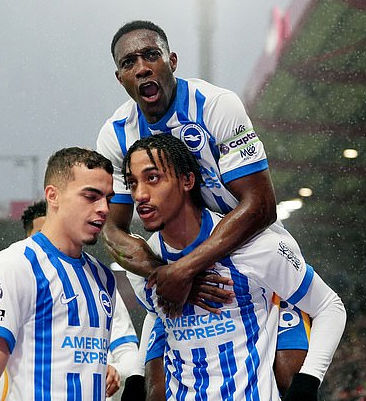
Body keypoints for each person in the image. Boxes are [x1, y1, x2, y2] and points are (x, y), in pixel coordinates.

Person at [96, 19, 310, 392]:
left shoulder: (216, 106)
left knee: (292, 385)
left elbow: (261, 205)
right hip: (175, 262)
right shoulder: (114, 135)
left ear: (172, 61)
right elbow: (112, 231)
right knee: (155, 388)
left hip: (251, 252)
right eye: (129, 62)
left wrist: (186, 270)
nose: (142, 66)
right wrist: (165, 274)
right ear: (120, 78)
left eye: (151, 55)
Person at [123, 134, 346, 399]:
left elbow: (329, 307)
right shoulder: (143, 262)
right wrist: (136, 377)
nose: (140, 195)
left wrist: (307, 382)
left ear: (187, 181)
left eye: (152, 178)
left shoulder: (257, 246)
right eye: (132, 183)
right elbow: (154, 313)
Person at [0, 147, 117, 400]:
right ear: (53, 196)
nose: (104, 208)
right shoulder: (15, 265)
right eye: (91, 196)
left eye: (107, 199)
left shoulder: (104, 278)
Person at [20, 200, 139, 400]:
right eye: (40, 234)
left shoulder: (100, 282)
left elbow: (127, 352)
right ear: (28, 238)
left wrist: (116, 370)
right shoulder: (16, 278)